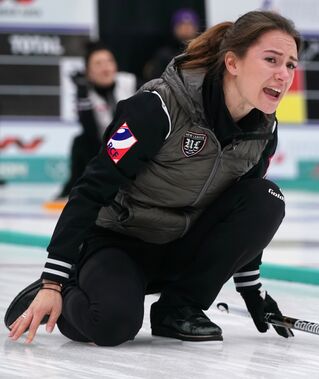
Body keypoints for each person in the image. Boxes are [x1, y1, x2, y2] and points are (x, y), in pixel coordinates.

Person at [5, 10, 301, 346]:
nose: (283, 74)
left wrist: (252, 290)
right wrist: (52, 283)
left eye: (291, 64)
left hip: (180, 246)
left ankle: (179, 309)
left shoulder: (263, 130)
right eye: (272, 60)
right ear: (232, 63)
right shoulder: (156, 106)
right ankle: (73, 284)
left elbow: (244, 213)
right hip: (119, 242)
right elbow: (91, 187)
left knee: (266, 197)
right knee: (112, 325)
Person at [57, 41, 136, 199]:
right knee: (80, 142)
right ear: (89, 72)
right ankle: (76, 189)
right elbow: (90, 132)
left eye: (109, 61)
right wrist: (83, 95)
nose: (106, 68)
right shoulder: (86, 93)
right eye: (98, 64)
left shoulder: (130, 82)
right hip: (104, 150)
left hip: (134, 147)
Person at [142, 8, 200, 82]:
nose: (186, 28)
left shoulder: (201, 53)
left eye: (190, 25)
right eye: (181, 25)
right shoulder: (164, 55)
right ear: (174, 28)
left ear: (196, 28)